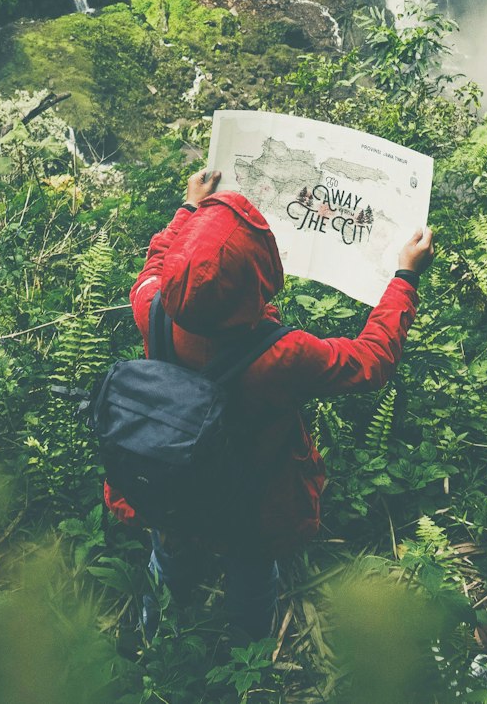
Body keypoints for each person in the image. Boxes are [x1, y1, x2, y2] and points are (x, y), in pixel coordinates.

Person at [104, 168, 435, 638]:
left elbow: (157, 265)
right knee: (252, 575)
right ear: (260, 272)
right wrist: (404, 277)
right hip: (250, 501)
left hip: (172, 485)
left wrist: (188, 209)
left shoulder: (151, 306)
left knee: (168, 553)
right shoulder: (282, 355)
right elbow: (371, 360)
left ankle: (152, 633)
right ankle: (251, 652)